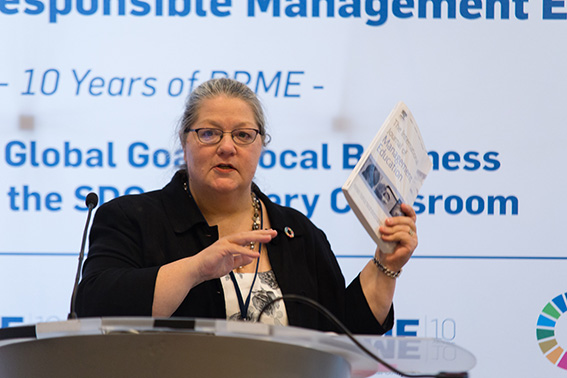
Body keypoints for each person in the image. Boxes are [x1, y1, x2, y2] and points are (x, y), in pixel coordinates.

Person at [76, 78, 418, 334]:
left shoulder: (298, 233)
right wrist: (197, 268)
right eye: (209, 133)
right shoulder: (130, 219)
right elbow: (95, 306)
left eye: (243, 135)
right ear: (184, 140)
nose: (227, 147)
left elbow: (344, 337)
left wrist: (386, 264)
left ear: (260, 145)